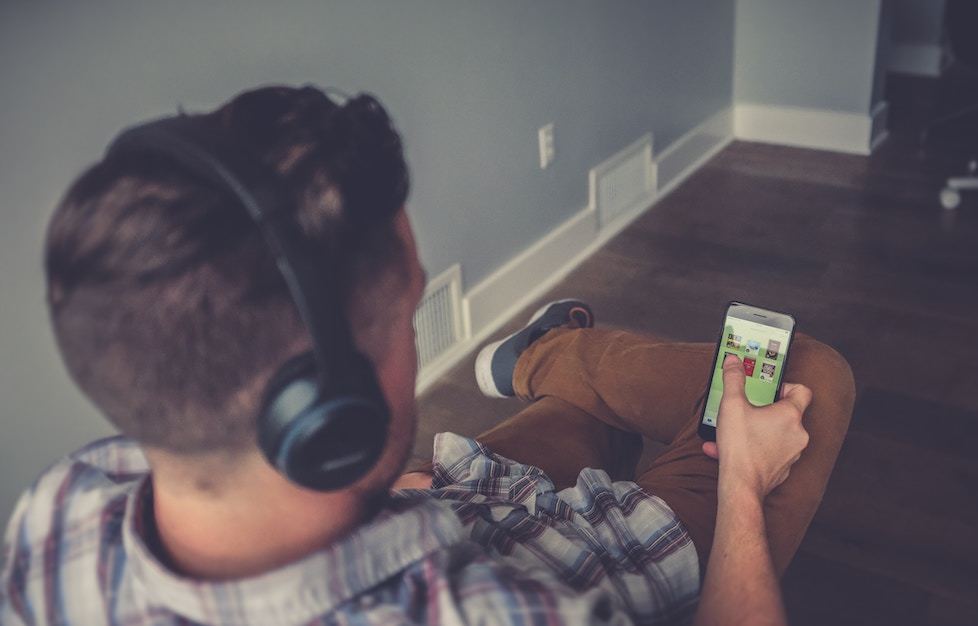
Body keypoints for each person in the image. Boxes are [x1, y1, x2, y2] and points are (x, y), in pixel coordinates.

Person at [0, 85, 855, 625]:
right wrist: (742, 485)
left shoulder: (56, 515)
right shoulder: (497, 613)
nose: (413, 336)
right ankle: (551, 351)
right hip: (605, 555)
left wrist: (381, 496)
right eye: (409, 318)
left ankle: (551, 361)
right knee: (811, 373)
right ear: (329, 418)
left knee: (571, 421)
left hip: (444, 501)